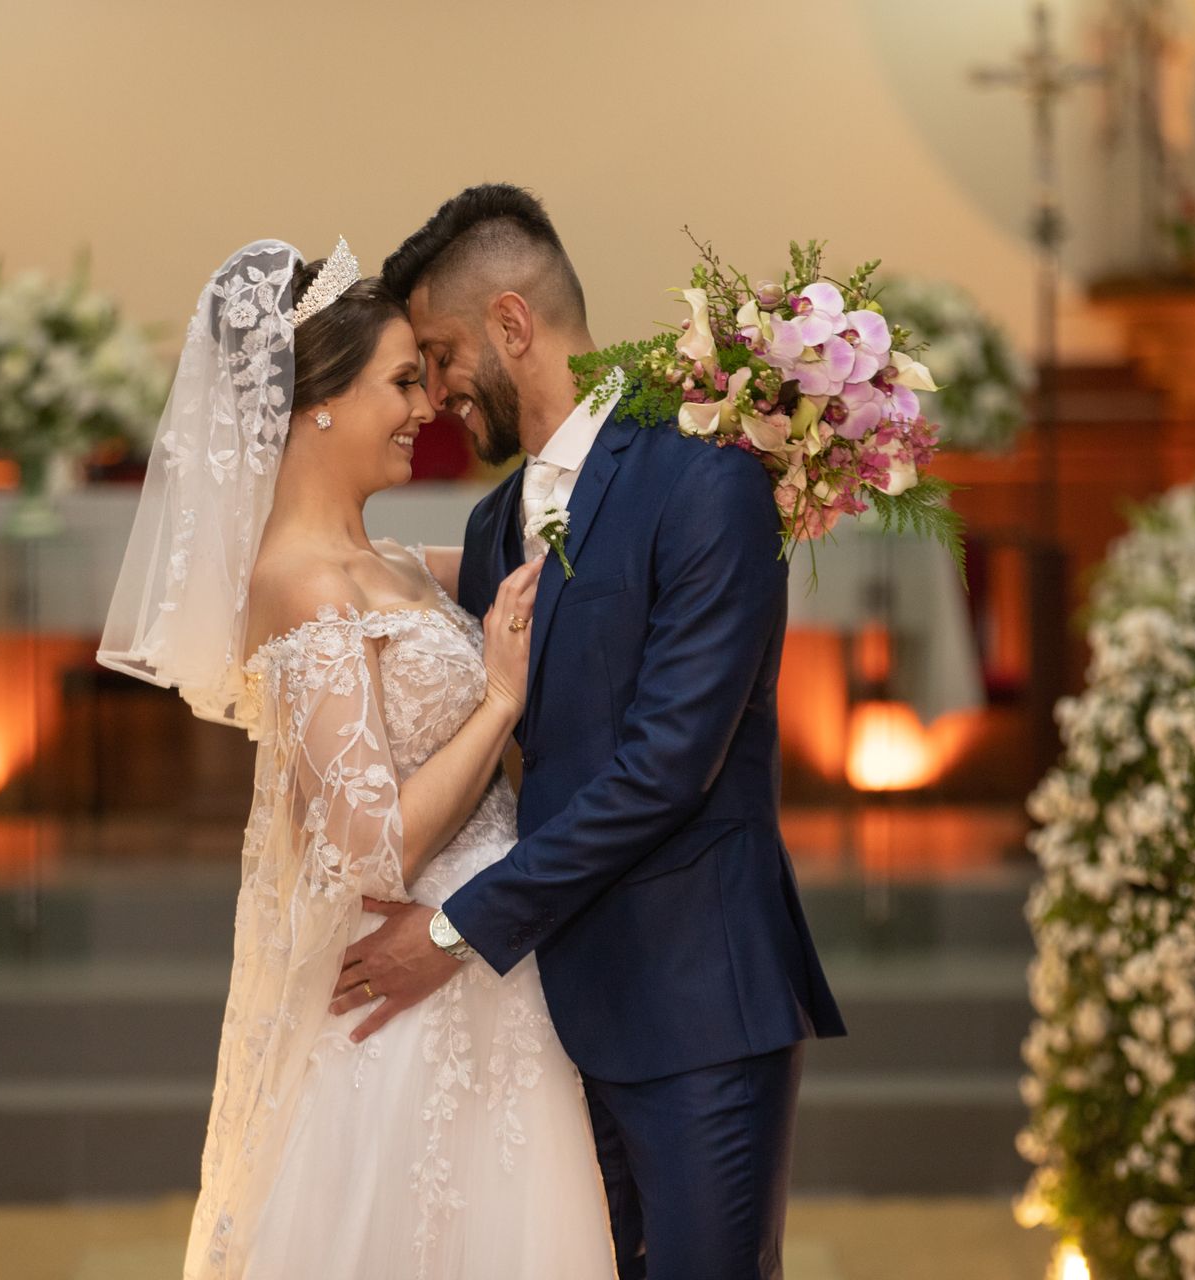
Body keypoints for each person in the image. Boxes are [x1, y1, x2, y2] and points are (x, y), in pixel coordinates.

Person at [332, 185, 845, 1280]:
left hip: (700, 1006)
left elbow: (668, 769)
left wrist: (450, 932)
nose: (433, 390)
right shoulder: (488, 522)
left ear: (511, 324)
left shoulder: (704, 479)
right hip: (550, 1020)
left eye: (438, 352)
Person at [98, 239, 617, 1278]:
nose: (425, 407)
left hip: (484, 976)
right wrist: (501, 698)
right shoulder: (301, 583)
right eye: (400, 381)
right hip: (410, 996)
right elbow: (367, 844)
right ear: (314, 404)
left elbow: (553, 552)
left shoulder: (381, 562)